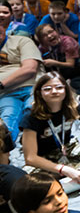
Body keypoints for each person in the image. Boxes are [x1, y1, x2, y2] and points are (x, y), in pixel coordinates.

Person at [20, 71, 80, 184]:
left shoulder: (74, 107)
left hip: (68, 150)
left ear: (66, 90)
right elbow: (31, 158)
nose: (54, 92)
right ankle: (75, 172)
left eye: (59, 87)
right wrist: (62, 169)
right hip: (45, 159)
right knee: (25, 177)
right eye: (47, 89)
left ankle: (69, 175)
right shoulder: (31, 116)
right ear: (39, 93)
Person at [0, 15, 42, 150]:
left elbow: (30, 69)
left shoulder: (22, 41)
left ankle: (37, 146)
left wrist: (2, 84)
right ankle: (4, 156)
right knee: (6, 121)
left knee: (32, 111)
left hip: (32, 86)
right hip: (7, 94)